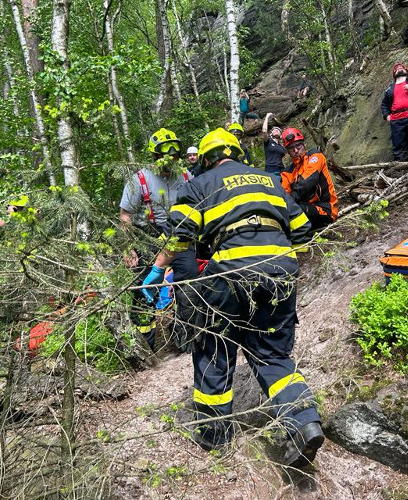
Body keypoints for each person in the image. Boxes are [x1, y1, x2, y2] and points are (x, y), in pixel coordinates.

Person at [144, 127, 324, 467]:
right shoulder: (270, 181)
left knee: (214, 348)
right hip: (280, 272)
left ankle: (215, 437)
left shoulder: (199, 185)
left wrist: (156, 271)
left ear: (208, 159)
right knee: (272, 355)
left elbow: (180, 236)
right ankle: (304, 422)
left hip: (230, 273)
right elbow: (302, 229)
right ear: (237, 154)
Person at [120, 128, 197, 350]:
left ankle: (187, 337)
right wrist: (128, 248)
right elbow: (125, 216)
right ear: (155, 155)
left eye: (175, 155)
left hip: (181, 237)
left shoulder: (185, 176)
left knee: (189, 282)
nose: (171, 160)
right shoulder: (140, 180)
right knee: (144, 291)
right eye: (166, 155)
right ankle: (147, 345)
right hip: (148, 237)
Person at [279, 127, 338, 231]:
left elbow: (307, 182)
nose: (296, 150)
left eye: (298, 145)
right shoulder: (287, 172)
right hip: (305, 209)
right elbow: (284, 194)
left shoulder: (315, 156)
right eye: (292, 148)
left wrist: (290, 201)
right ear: (288, 152)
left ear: (304, 144)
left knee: (294, 209)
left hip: (325, 210)